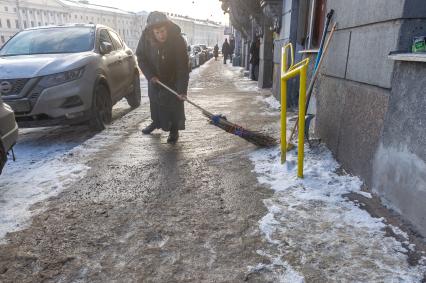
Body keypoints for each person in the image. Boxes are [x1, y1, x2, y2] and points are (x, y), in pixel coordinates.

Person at [136, 11, 190, 144]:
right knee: (155, 102)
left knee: (173, 105)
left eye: (163, 31)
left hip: (173, 78)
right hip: (155, 78)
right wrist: (150, 75)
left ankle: (174, 130)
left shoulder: (177, 40)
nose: (161, 35)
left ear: (167, 28)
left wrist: (182, 90)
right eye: (158, 32)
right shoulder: (145, 38)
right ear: (152, 32)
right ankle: (156, 122)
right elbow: (141, 58)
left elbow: (182, 67)